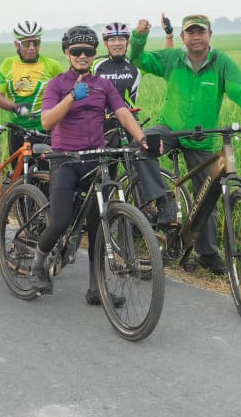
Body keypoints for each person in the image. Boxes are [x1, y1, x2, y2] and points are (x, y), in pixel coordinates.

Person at [128, 14, 241, 274]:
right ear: (183, 37)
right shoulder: (172, 59)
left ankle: (208, 254)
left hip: (202, 136)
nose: (196, 37)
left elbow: (240, 90)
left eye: (201, 32)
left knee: (208, 195)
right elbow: (138, 60)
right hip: (171, 127)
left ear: (210, 35)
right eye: (191, 32)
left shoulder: (221, 63)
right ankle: (162, 202)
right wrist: (139, 37)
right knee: (141, 144)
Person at [22, 26, 149, 304]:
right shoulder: (56, 84)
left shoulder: (103, 85)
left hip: (96, 159)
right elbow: (47, 122)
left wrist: (141, 138)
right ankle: (37, 265)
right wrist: (71, 98)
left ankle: (96, 289)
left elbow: (123, 113)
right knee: (59, 221)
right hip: (66, 159)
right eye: (76, 51)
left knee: (98, 226)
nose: (82, 56)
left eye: (88, 51)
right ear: (67, 53)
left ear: (94, 55)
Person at [0, 20, 63, 155]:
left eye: (35, 43)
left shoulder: (52, 66)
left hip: (45, 131)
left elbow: (65, 95)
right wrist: (16, 107)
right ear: (16, 45)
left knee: (45, 173)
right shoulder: (8, 64)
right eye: (26, 43)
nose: (31, 48)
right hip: (18, 130)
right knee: (18, 174)